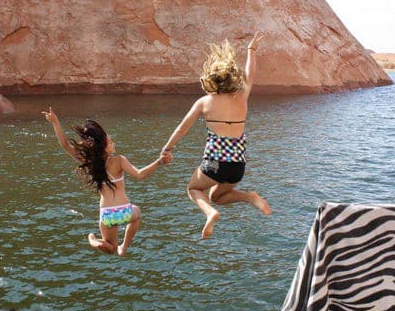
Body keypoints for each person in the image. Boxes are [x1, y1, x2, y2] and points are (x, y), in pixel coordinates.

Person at [161, 32, 271, 239]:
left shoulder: (204, 102)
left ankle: (209, 213)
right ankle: (249, 197)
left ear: (211, 78)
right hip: (238, 166)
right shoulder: (242, 96)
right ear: (232, 78)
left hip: (214, 164)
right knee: (218, 196)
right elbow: (250, 74)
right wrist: (251, 50)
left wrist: (167, 148)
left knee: (193, 188)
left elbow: (182, 129)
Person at [43, 107, 169, 256]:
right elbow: (140, 175)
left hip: (106, 215)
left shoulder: (90, 162)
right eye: (110, 141)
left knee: (110, 248)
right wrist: (159, 162)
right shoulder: (119, 161)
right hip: (123, 211)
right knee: (138, 214)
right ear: (104, 146)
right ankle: (124, 247)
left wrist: (55, 122)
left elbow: (65, 145)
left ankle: (95, 241)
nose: (113, 143)